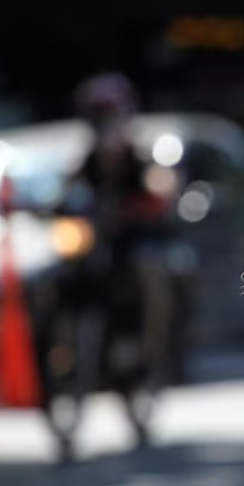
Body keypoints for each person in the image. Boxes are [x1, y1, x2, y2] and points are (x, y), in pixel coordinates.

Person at [71, 73, 177, 392]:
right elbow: (63, 192)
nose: (103, 124)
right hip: (97, 244)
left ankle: (151, 347)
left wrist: (148, 201)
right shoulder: (86, 161)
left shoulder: (140, 155)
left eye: (108, 114)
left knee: (149, 268)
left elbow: (162, 184)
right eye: (96, 116)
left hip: (136, 241)